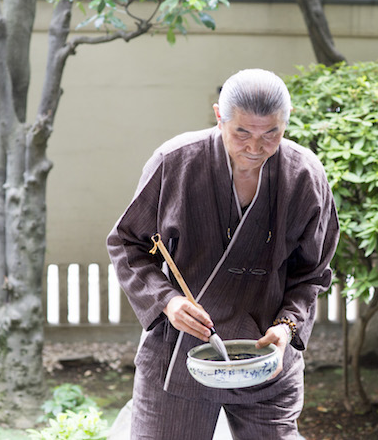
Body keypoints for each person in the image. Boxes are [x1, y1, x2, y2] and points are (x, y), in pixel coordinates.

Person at [107, 68, 339, 440]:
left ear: (286, 124)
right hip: (182, 351)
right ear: (219, 116)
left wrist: (287, 326)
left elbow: (312, 272)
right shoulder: (176, 162)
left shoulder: (304, 175)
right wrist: (167, 301)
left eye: (271, 134)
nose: (255, 147)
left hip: (266, 354)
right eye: (242, 132)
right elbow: (126, 242)